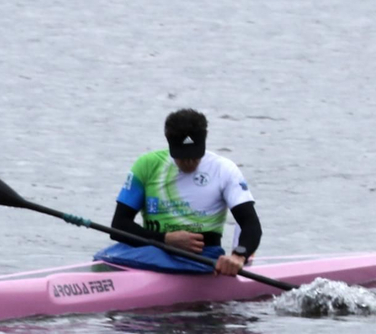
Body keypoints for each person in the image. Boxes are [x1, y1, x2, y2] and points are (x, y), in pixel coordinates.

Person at [105, 108, 262, 276]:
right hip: (153, 251)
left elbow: (250, 223)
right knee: (106, 255)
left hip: (201, 258)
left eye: (194, 155)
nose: (189, 162)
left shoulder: (224, 169)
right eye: (182, 156)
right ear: (168, 141)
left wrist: (239, 255)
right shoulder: (146, 165)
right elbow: (119, 226)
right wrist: (165, 239)